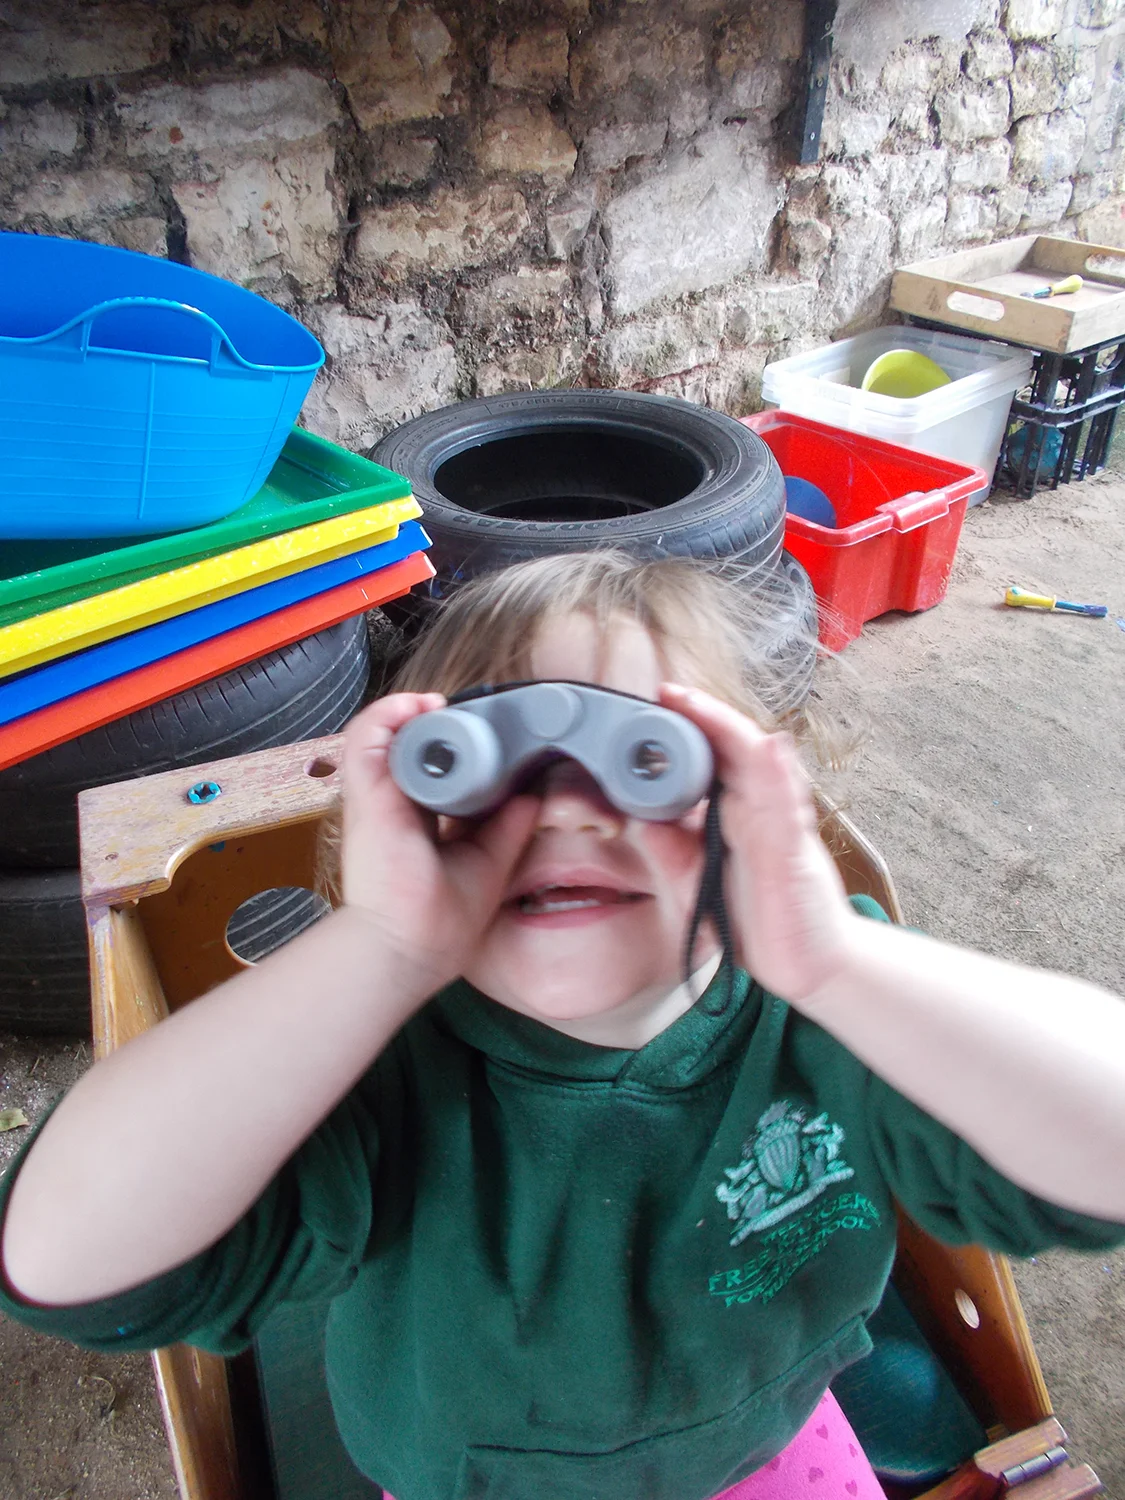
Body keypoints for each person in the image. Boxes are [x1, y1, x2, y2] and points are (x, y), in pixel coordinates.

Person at [2, 549, 1124, 1500]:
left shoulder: (837, 1008)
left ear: (761, 798)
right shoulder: (374, 1060)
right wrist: (380, 951)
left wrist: (834, 958)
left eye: (649, 759)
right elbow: (71, 1263)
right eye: (484, 772)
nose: (567, 813)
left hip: (761, 1443)